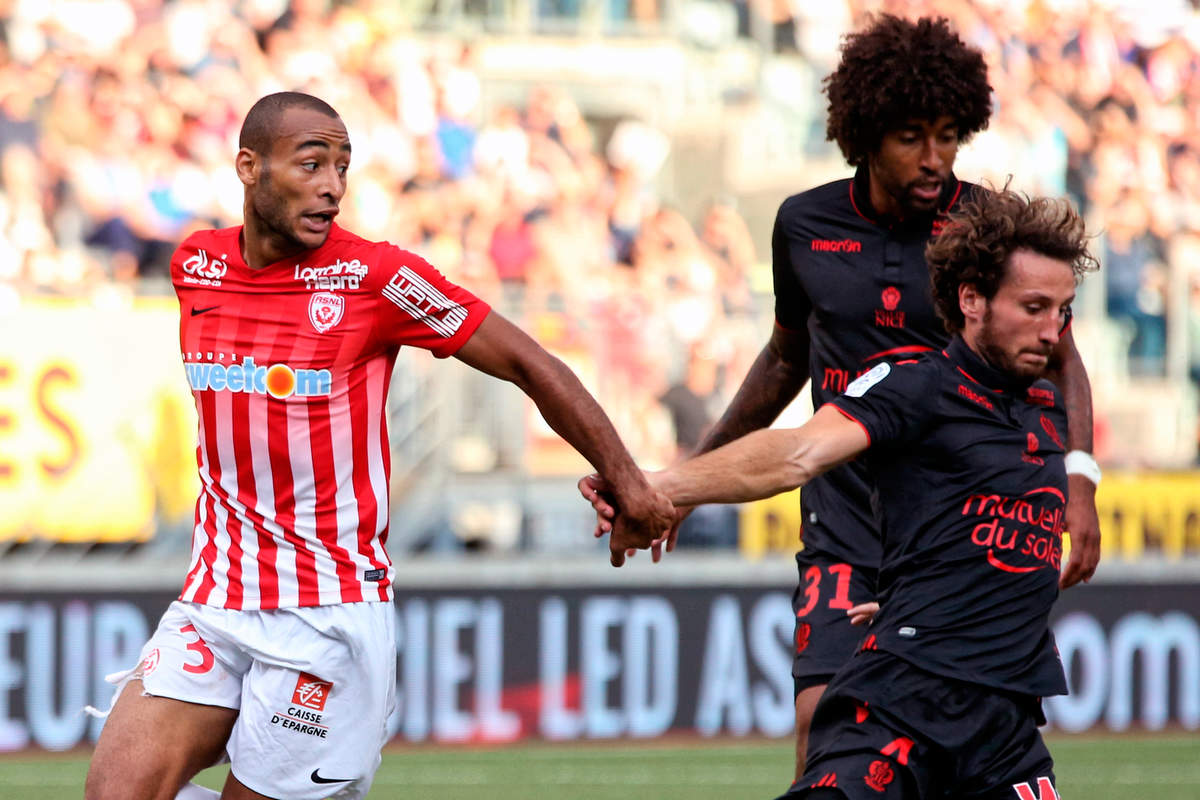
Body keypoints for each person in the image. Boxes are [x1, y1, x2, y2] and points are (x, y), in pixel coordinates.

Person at [83, 92, 674, 800]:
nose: (332, 186)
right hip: (215, 597)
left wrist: (627, 479)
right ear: (248, 167)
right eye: (311, 164)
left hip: (326, 618)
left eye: (342, 166)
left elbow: (528, 362)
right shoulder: (196, 265)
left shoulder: (374, 278)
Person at [584, 13, 1101, 782]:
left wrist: (1079, 482)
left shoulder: (987, 232)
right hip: (845, 513)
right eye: (911, 137)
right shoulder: (804, 225)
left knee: (954, 741)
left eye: (949, 136)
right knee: (820, 725)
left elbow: (1062, 357)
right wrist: (690, 480)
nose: (934, 158)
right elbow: (784, 360)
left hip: (952, 515)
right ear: (864, 135)